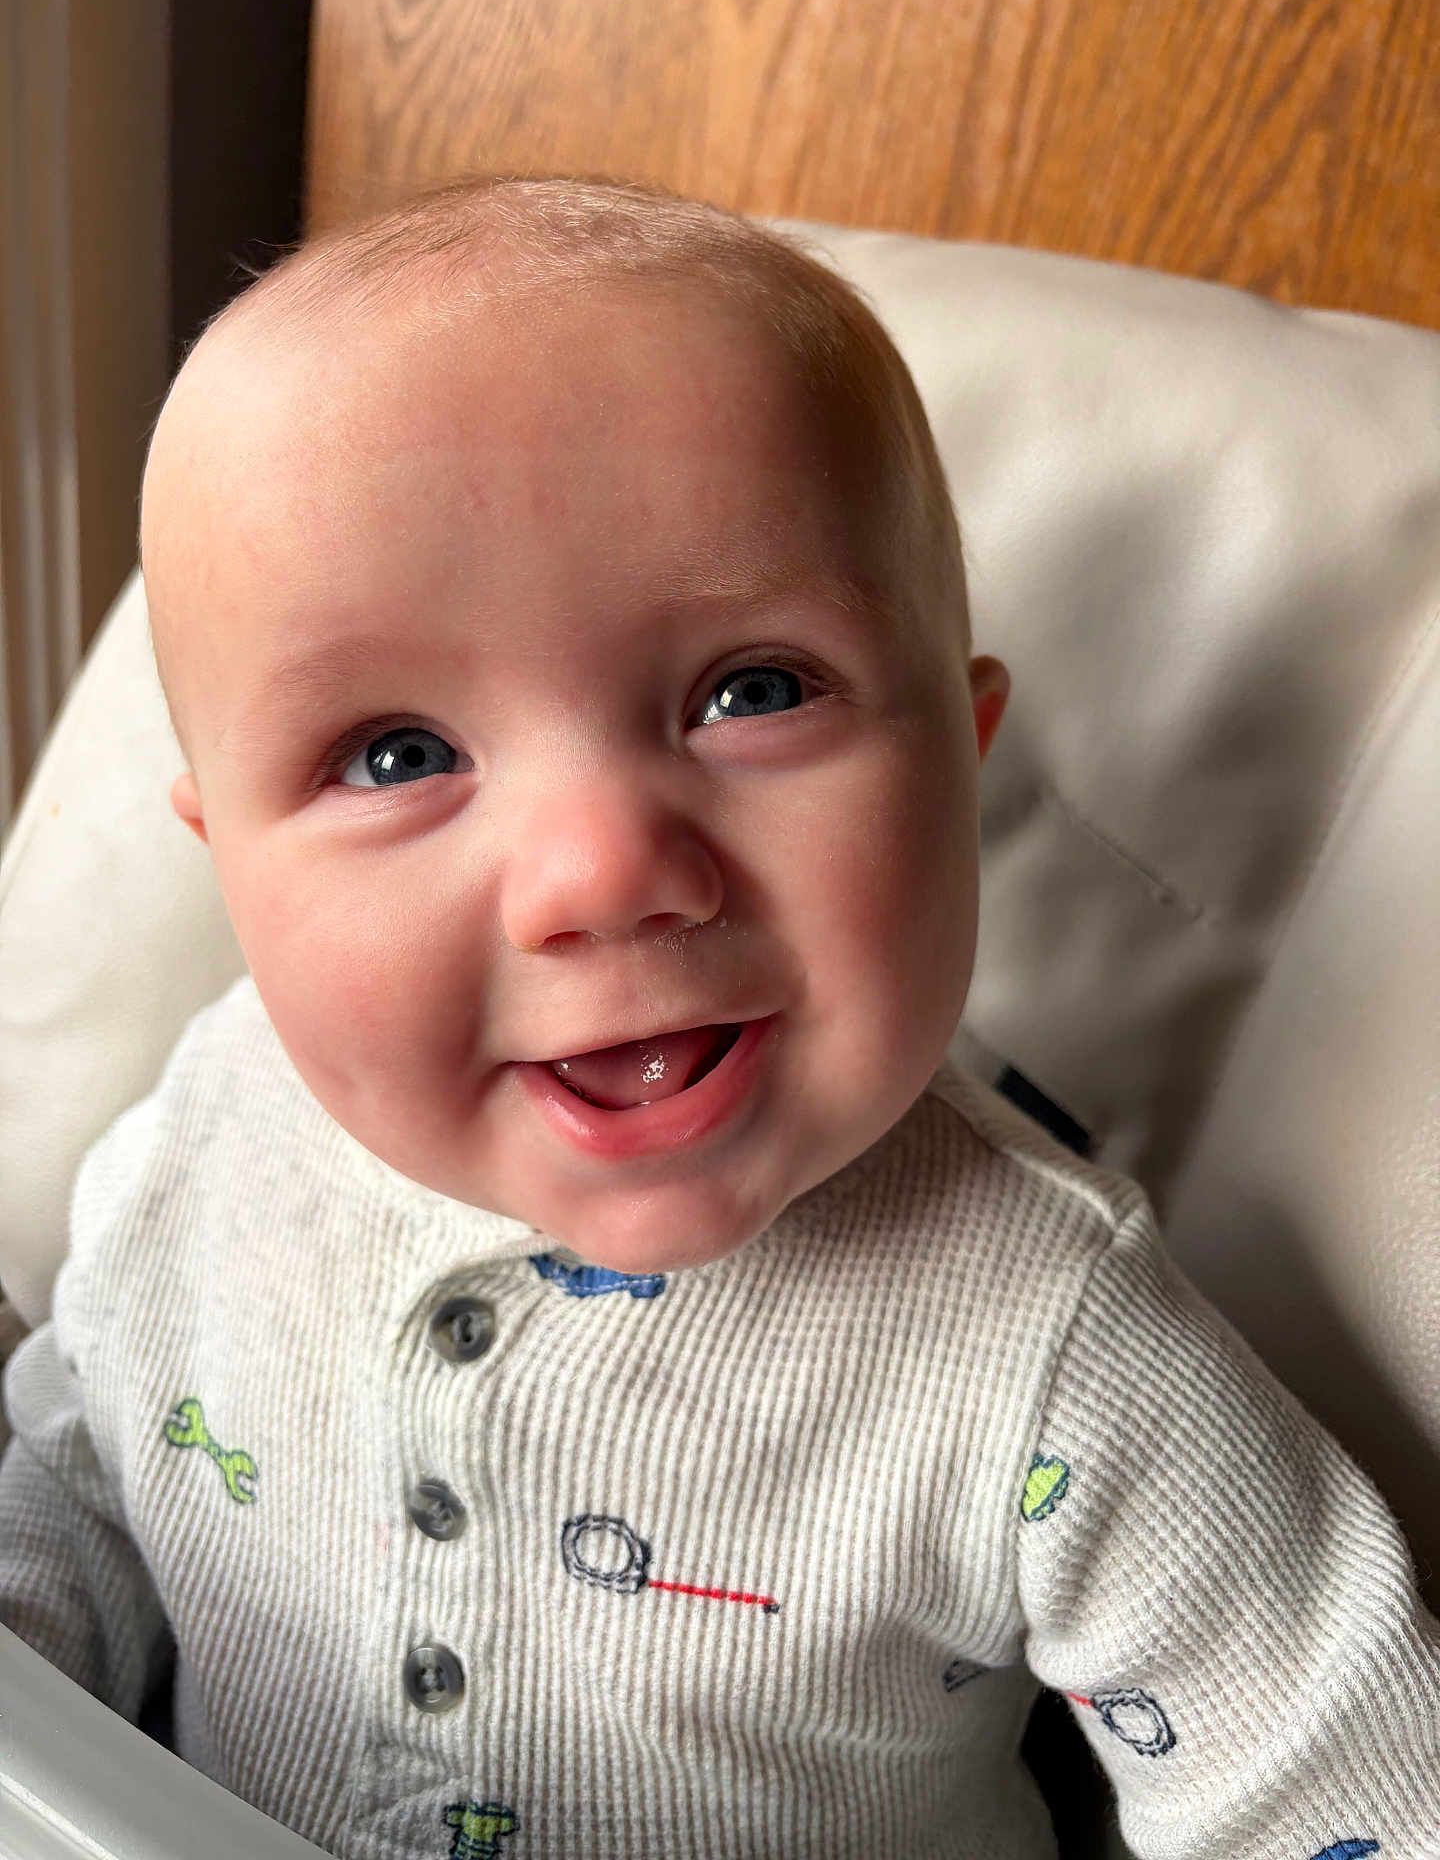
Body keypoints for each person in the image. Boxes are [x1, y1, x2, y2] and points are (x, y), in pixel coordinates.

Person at [1, 175, 1436, 1860]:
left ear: (958, 771)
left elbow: (1337, 1791)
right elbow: (94, 1474)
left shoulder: (1047, 1347)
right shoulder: (210, 1123)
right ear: (231, 866)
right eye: (398, 756)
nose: (604, 872)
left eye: (752, 691)